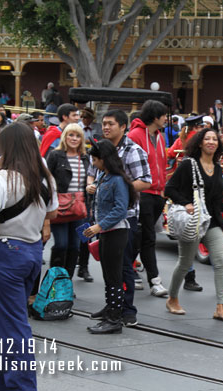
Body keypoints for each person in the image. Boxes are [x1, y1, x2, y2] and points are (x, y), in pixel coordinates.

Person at [0, 122, 58, 391]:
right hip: (31, 253)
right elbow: (52, 213)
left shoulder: (2, 179)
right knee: (6, 321)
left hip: (4, 254)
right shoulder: (44, 177)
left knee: (13, 328)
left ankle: (21, 386)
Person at [164, 128, 223, 321]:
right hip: (193, 220)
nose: (211, 142)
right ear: (200, 143)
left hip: (212, 220)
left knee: (221, 262)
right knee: (185, 263)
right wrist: (185, 203)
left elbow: (215, 201)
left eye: (215, 139)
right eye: (207, 139)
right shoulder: (188, 164)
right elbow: (169, 189)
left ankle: (220, 308)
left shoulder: (217, 168)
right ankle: (172, 298)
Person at [87, 109, 151, 327]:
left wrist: (117, 190)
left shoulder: (134, 150)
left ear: (123, 127)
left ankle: (126, 309)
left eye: (111, 124)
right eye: (104, 123)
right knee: (108, 267)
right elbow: (92, 172)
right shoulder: (102, 149)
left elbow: (146, 180)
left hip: (125, 217)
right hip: (103, 217)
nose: (106, 127)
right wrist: (94, 185)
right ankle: (112, 306)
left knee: (123, 265)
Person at [85, 140, 137, 334]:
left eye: (95, 159)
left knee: (114, 275)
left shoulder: (117, 179)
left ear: (104, 160)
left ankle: (114, 318)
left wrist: (99, 226)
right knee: (108, 273)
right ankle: (110, 307)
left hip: (116, 232)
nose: (93, 163)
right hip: (106, 231)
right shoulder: (103, 176)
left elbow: (120, 209)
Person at [127, 100, 169, 297]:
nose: (166, 119)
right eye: (164, 115)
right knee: (148, 237)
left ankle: (129, 269)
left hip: (157, 194)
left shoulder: (160, 137)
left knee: (142, 237)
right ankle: (154, 279)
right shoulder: (135, 135)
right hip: (142, 192)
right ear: (155, 117)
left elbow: (162, 162)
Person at [46, 123, 90, 278]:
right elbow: (46, 181)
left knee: (75, 246)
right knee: (61, 245)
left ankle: (66, 283)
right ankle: (54, 281)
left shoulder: (85, 157)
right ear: (64, 136)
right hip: (60, 207)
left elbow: (90, 180)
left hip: (81, 209)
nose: (74, 138)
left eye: (78, 136)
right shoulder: (55, 155)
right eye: (71, 135)